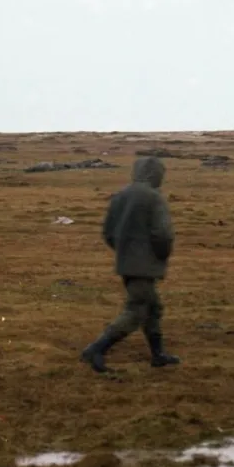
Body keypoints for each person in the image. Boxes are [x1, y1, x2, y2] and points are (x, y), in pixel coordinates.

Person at [80, 156, 181, 373]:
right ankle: (97, 349)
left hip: (126, 262)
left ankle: (158, 355)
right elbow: (163, 234)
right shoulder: (154, 198)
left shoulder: (121, 195)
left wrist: (124, 251)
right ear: (156, 174)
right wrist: (160, 256)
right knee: (136, 310)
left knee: (152, 308)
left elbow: (108, 232)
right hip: (144, 265)